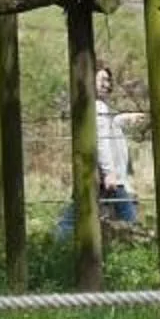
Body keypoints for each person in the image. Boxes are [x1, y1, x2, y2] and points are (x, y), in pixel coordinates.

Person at [54, 63, 142, 240]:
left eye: (107, 80)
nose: (106, 84)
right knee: (126, 213)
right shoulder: (97, 107)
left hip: (96, 173)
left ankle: (58, 240)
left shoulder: (92, 105)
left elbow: (107, 126)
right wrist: (109, 172)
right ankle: (137, 242)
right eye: (101, 79)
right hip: (106, 175)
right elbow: (101, 140)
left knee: (80, 210)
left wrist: (124, 118)